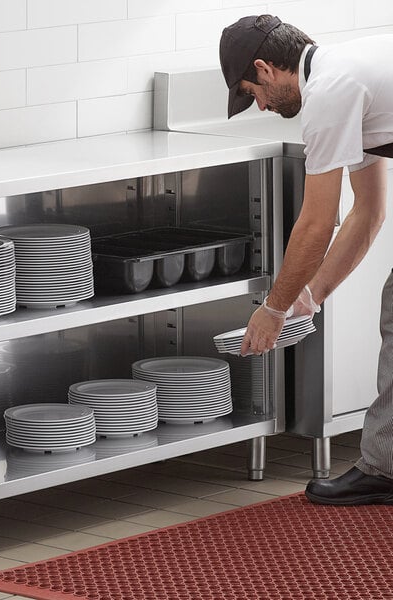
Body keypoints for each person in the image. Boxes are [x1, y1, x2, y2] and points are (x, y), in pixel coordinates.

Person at [219, 15, 393, 505]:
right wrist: (310, 295)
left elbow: (317, 224)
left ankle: (384, 469)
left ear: (265, 69)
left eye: (252, 91)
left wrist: (272, 310)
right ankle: (385, 467)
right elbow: (369, 211)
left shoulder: (330, 94)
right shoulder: (347, 75)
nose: (260, 103)